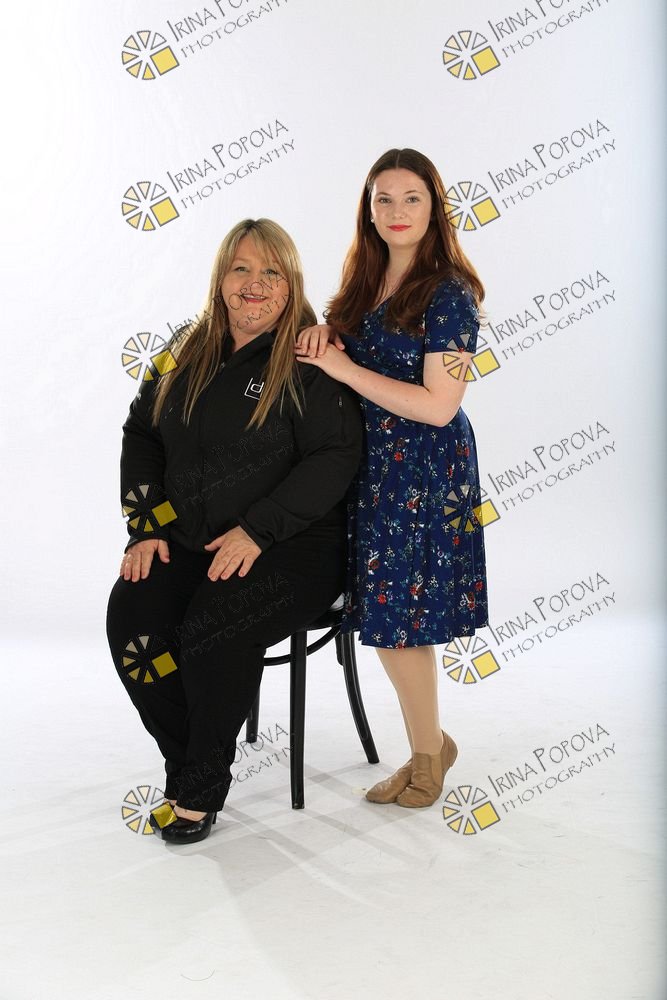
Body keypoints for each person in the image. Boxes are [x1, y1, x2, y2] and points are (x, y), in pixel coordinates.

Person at [106, 219, 363, 844]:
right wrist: (146, 524)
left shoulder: (309, 357)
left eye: (271, 271)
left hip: (294, 546)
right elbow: (141, 433)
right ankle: (190, 763)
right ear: (221, 278)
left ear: (291, 282)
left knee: (214, 626)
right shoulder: (184, 349)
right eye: (241, 268)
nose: (255, 284)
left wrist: (258, 529)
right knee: (134, 620)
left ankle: (196, 790)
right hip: (191, 540)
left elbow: (334, 457)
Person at [295, 148, 489, 808]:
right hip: (372, 468)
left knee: (402, 620)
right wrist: (327, 339)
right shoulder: (363, 282)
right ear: (369, 210)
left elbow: (440, 406)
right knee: (385, 618)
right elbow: (355, 353)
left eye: (412, 198)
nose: (397, 211)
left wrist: (344, 369)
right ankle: (429, 745)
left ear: (434, 208)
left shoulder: (449, 294)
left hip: (425, 472)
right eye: (384, 199)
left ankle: (427, 756)